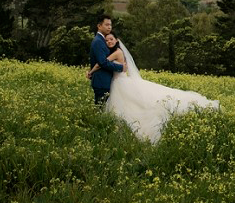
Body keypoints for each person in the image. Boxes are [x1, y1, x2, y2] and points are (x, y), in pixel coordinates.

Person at [87, 29, 220, 144]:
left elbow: (101, 63)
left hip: (120, 83)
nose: (109, 42)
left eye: (111, 39)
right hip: (119, 81)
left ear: (117, 40)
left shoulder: (117, 52)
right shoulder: (117, 51)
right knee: (130, 104)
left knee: (127, 105)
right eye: (106, 40)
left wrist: (90, 73)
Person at [89, 14, 125, 106]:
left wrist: (91, 72)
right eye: (106, 25)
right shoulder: (98, 41)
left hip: (106, 81)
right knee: (101, 109)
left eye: (110, 25)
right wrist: (121, 67)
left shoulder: (103, 40)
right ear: (99, 26)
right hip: (101, 82)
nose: (109, 27)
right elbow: (103, 62)